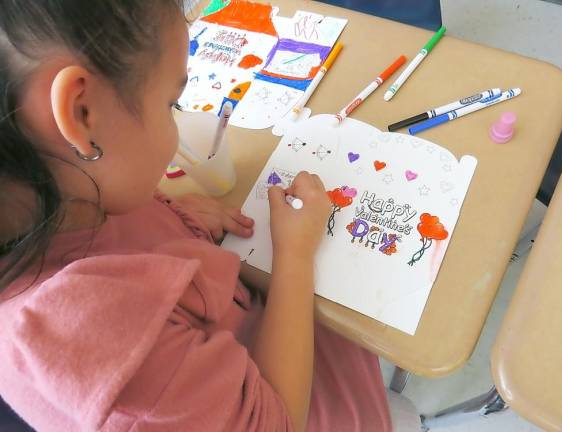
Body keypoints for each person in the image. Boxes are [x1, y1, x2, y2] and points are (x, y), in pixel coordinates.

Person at [0, 1, 391, 430]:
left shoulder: (49, 192)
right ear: (82, 113)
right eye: (173, 104)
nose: (177, 119)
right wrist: (294, 255)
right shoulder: (85, 332)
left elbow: (115, 218)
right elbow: (277, 421)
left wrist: (168, 214)